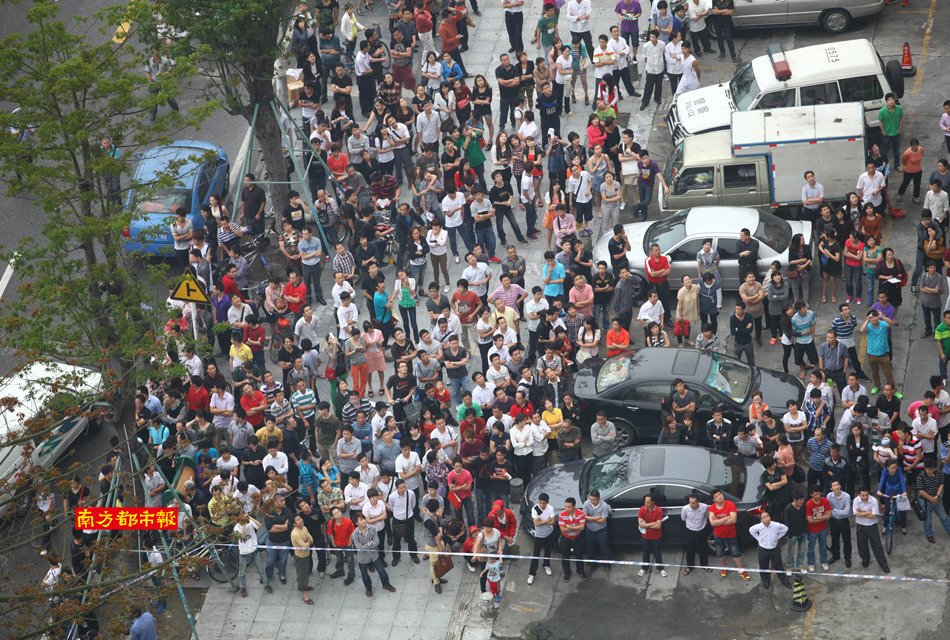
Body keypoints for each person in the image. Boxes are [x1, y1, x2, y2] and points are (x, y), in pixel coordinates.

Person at [708, 489, 750, 581]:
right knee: (720, 553)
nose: (719, 496)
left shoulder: (730, 504)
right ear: (713, 500)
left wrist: (718, 521)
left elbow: (733, 520)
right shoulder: (712, 508)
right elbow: (712, 524)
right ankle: (724, 568)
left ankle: (741, 570)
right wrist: (726, 518)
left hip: (731, 535)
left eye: (720, 494)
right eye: (716, 496)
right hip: (718, 536)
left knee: (736, 553)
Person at [749, 511, 793, 590]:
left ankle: (784, 580)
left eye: (768, 516)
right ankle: (766, 581)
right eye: (764, 518)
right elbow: (751, 530)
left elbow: (785, 529)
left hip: (774, 549)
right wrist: (758, 539)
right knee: (763, 566)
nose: (767, 519)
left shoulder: (776, 525)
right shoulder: (759, 526)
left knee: (778, 565)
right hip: (763, 550)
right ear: (761, 520)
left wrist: (778, 537)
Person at [853, 486, 890, 572]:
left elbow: (874, 516)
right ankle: (865, 560)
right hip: (861, 526)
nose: (865, 497)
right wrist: (867, 512)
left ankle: (883, 564)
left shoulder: (874, 500)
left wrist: (861, 512)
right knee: (862, 545)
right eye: (863, 495)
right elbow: (856, 514)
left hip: (872, 526)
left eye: (866, 495)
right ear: (859, 495)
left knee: (877, 546)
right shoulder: (855, 500)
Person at [557, 497, 590, 581]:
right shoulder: (562, 515)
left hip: (577, 538)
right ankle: (567, 573)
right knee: (565, 557)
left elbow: (582, 527)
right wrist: (575, 527)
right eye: (565, 506)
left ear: (574, 506)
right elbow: (562, 529)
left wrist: (568, 526)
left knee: (579, 555)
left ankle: (581, 571)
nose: (566, 508)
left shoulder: (581, 513)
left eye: (568, 507)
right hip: (565, 539)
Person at [527, 492, 556, 584]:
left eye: (544, 503)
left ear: (547, 502)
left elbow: (552, 522)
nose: (542, 505)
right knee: (536, 554)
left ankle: (546, 565)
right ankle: (532, 573)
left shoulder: (550, 508)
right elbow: (536, 523)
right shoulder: (535, 509)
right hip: (539, 536)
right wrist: (547, 520)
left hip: (549, 534)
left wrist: (542, 521)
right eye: (540, 503)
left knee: (548, 551)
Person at [680, 493, 710, 575]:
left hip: (702, 529)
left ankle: (704, 564)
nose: (691, 504)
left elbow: (708, 516)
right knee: (690, 549)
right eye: (690, 502)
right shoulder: (685, 508)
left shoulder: (704, 507)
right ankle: (690, 566)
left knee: (703, 547)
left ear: (698, 502)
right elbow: (683, 518)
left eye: (693, 503)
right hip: (690, 530)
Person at [582, 490, 612, 573]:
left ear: (599, 499)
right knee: (590, 548)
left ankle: (606, 565)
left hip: (601, 531)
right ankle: (590, 564)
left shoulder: (604, 506)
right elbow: (584, 517)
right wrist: (595, 518)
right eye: (591, 499)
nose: (592, 501)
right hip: (590, 531)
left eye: (594, 500)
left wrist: (590, 518)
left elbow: (603, 520)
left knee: (604, 548)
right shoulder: (586, 504)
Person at [637, 493, 665, 577]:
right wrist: (653, 523)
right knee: (645, 554)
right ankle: (644, 568)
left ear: (653, 502)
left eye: (648, 502)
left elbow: (658, 526)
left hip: (656, 537)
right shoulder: (641, 510)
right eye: (645, 502)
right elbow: (640, 524)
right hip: (645, 536)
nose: (646, 504)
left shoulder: (658, 510)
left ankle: (660, 568)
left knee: (657, 553)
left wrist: (646, 524)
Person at [783, 491, 807, 572]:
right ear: (795, 500)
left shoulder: (803, 506)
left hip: (802, 533)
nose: (802, 502)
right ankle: (790, 567)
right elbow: (787, 522)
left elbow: (805, 518)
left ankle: (799, 566)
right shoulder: (788, 508)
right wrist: (789, 535)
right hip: (792, 535)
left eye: (802, 500)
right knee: (791, 552)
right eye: (800, 500)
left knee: (802, 551)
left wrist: (805, 530)